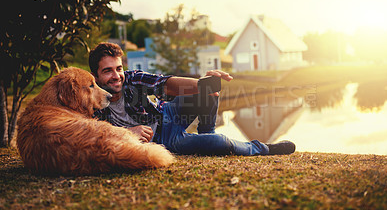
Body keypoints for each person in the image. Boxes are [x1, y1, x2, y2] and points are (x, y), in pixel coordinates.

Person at [89, 42, 295, 156]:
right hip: (164, 140)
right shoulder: (91, 105)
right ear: (96, 76)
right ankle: (264, 148)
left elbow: (166, 83)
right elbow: (94, 141)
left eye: (118, 68)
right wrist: (127, 134)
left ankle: (207, 134)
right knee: (222, 143)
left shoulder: (132, 79)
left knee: (209, 89)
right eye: (107, 71)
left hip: (167, 113)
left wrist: (203, 84)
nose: (116, 76)